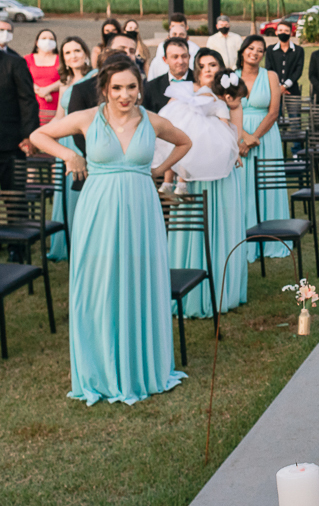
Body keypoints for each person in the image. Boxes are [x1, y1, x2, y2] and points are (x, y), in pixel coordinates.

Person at [29, 56, 192, 405]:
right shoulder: (87, 117)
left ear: (140, 88)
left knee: (139, 279)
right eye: (117, 87)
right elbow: (38, 135)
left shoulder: (151, 120)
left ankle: (139, 363)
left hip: (142, 212)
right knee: (98, 283)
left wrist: (159, 169)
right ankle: (100, 367)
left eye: (131, 87)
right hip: (97, 211)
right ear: (104, 88)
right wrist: (68, 156)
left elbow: (184, 142)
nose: (124, 94)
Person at [155, 48, 249, 316]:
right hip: (190, 175)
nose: (208, 69)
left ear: (222, 69)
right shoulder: (184, 95)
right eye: (203, 65)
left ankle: (221, 287)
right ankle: (187, 287)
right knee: (192, 228)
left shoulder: (227, 98)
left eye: (213, 64)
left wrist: (232, 147)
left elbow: (235, 132)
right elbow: (170, 128)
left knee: (221, 225)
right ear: (196, 70)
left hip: (221, 175)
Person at [237, 35, 290, 260]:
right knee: (242, 187)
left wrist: (253, 138)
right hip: (237, 137)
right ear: (242, 51)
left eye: (260, 50)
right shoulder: (231, 77)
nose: (255, 53)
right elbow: (224, 110)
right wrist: (242, 137)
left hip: (266, 138)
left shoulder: (270, 76)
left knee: (267, 187)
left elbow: (274, 112)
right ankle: (243, 239)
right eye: (251, 48)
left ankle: (271, 239)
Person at [47, 37, 94, 261]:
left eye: (77, 50)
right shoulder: (64, 84)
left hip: (81, 140)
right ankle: (64, 244)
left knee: (81, 191)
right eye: (67, 52)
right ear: (63, 59)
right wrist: (39, 135)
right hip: (64, 144)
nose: (73, 55)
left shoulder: (94, 79)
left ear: (85, 53)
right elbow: (59, 117)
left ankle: (82, 241)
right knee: (65, 193)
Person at [0, 30, 37, 189]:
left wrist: (28, 135)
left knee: (15, 196)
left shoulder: (15, 63)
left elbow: (27, 100)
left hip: (9, 143)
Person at [143, 37, 195, 114]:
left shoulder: (199, 81)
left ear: (189, 57)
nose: (180, 61)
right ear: (165, 59)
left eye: (184, 56)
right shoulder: (151, 88)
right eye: (175, 57)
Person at [146, 13, 200, 80]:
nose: (177, 37)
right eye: (174, 35)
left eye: (181, 35)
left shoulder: (195, 49)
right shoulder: (157, 60)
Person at [264, 21, 305, 97]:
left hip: (293, 91)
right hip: (274, 90)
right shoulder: (270, 49)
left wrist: (285, 86)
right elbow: (269, 69)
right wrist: (279, 87)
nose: (283, 33)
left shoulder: (298, 50)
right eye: (280, 30)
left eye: (286, 31)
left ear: (291, 33)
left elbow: (298, 71)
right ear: (276, 32)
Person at [26, 28, 62, 111]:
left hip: (57, 107)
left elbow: (67, 78)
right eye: (44, 38)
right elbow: (22, 79)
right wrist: (41, 92)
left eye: (51, 39)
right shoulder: (27, 59)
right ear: (37, 42)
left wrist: (48, 89)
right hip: (31, 106)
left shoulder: (61, 59)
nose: (47, 41)